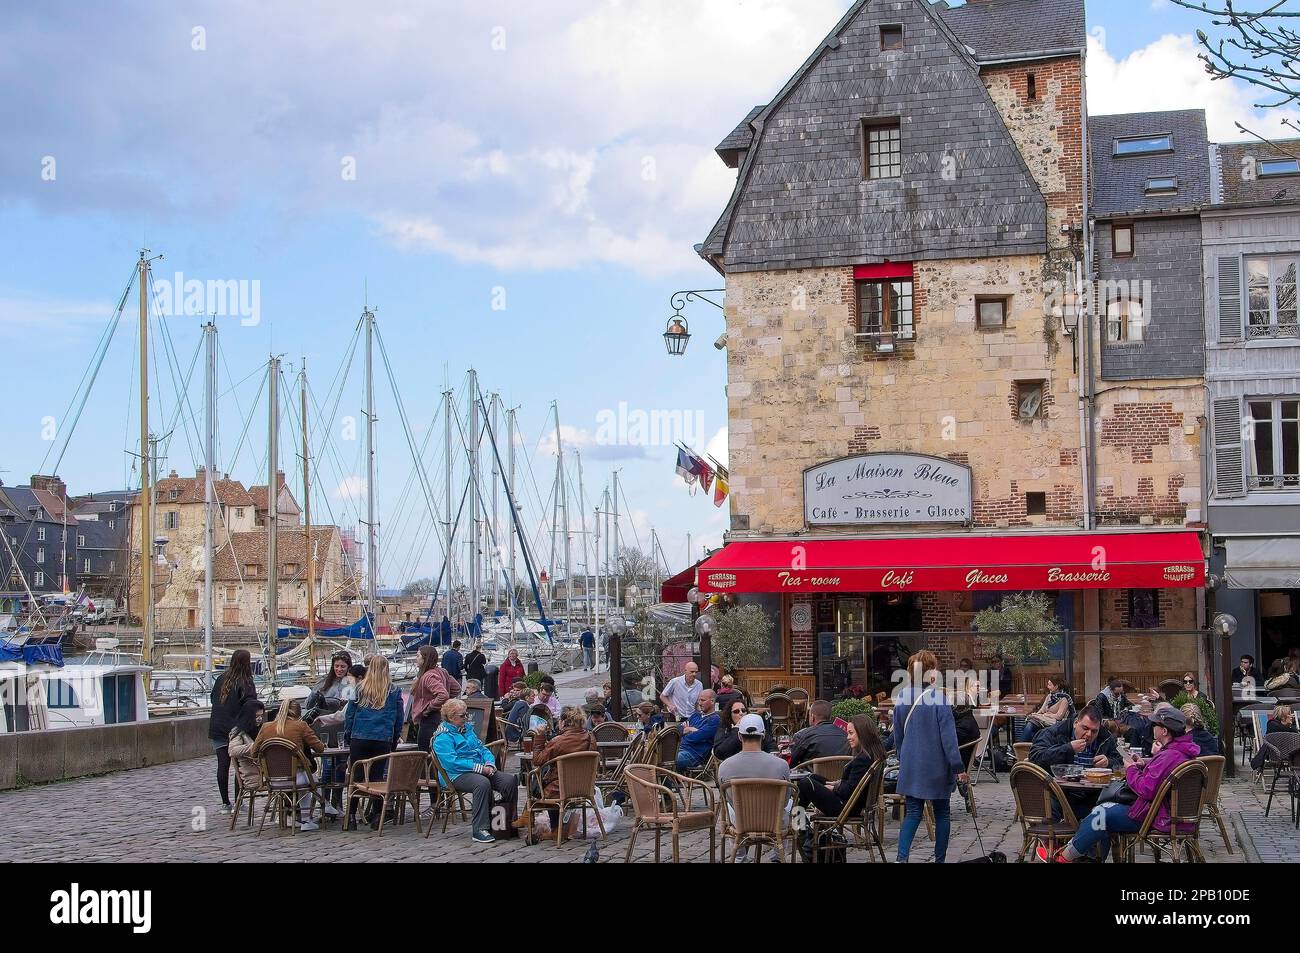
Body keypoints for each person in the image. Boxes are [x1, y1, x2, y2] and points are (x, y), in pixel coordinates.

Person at [1043, 707, 1198, 862]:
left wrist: (1130, 768)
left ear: (1164, 731)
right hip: (1167, 814)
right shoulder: (1180, 751)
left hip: (1154, 815)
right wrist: (1145, 763)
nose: (1152, 727)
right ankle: (1085, 858)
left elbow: (1146, 789)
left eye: (1155, 725)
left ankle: (1064, 857)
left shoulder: (1168, 756)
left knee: (1100, 814)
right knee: (1101, 815)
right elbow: (1163, 770)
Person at [893, 650, 966, 864]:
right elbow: (949, 739)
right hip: (936, 765)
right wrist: (958, 767)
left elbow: (897, 735)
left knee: (913, 812)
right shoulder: (939, 699)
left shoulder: (902, 697)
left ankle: (901, 858)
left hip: (911, 764)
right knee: (942, 813)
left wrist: (903, 758)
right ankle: (939, 860)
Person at [433, 698, 518, 843]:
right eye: (463, 715)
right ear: (451, 717)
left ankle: (506, 822)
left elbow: (482, 748)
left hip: (479, 769)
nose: (466, 717)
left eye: (466, 714)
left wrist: (490, 764)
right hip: (455, 774)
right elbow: (451, 763)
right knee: (482, 783)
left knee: (508, 780)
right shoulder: (442, 737)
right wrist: (480, 768)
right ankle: (480, 829)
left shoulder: (467, 730)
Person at [343, 654, 405, 831]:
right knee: (377, 777)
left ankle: (352, 816)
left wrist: (348, 736)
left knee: (356, 776)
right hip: (382, 737)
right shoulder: (393, 691)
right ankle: (378, 815)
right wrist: (394, 738)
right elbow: (398, 718)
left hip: (360, 736)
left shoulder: (360, 688)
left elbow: (350, 715)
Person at [718, 714, 792, 862]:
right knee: (796, 807)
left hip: (740, 821)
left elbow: (727, 799)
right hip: (774, 821)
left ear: (739, 736)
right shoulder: (781, 764)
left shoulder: (725, 765)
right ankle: (779, 855)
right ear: (763, 735)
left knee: (725, 806)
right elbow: (785, 800)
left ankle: (739, 857)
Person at [250, 699, 325, 830]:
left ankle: (290, 817)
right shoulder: (301, 726)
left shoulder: (266, 727)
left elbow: (254, 753)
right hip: (296, 778)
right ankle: (307, 820)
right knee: (309, 778)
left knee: (308, 778)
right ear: (298, 713)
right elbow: (320, 748)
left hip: (272, 780)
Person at [795, 713, 885, 820]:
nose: (848, 737)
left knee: (805, 783)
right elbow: (854, 784)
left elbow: (848, 791)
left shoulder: (863, 759)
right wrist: (838, 783)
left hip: (846, 807)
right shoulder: (871, 755)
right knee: (812, 777)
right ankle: (801, 826)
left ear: (862, 734)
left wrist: (834, 788)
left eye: (851, 733)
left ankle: (799, 826)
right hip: (851, 804)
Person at [527, 705, 599, 836]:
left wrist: (539, 737)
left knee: (538, 778)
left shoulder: (559, 741)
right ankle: (553, 826)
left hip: (559, 789)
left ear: (564, 722)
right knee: (546, 775)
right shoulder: (590, 737)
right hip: (584, 787)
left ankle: (547, 825)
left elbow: (537, 760)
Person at [208, 649, 257, 814]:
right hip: (236, 729)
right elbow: (251, 705)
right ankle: (238, 800)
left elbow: (212, 697)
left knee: (223, 765)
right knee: (239, 764)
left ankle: (225, 803)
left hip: (217, 726)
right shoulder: (246, 681)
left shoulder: (221, 678)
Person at [410, 646, 461, 752]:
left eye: (418, 655)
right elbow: (456, 689)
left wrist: (430, 706)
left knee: (427, 752)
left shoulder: (428, 676)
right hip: (441, 718)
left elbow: (443, 695)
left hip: (430, 719)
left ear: (425, 658)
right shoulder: (442, 671)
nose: (416, 658)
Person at [226, 698, 267, 805]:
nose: (259, 719)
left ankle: (289, 815)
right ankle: (291, 815)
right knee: (289, 782)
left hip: (265, 773)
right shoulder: (239, 732)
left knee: (291, 777)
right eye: (256, 716)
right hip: (254, 776)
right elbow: (232, 750)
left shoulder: (261, 729)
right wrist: (255, 746)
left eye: (261, 716)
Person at [788, 700, 849, 766]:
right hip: (841, 775)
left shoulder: (803, 735)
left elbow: (791, 763)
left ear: (813, 717)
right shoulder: (846, 735)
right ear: (830, 717)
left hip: (812, 774)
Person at [1017, 677, 1073, 742]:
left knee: (1029, 726)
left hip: (1055, 724)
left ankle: (1020, 747)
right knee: (1028, 725)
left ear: (1056, 687)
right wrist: (1036, 714)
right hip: (1044, 721)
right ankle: (1024, 747)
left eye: (1049, 685)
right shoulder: (1049, 696)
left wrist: (1046, 715)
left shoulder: (1064, 699)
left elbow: (1059, 716)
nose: (1048, 687)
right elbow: (1042, 710)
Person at [676, 689, 720, 771]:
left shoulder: (714, 719)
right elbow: (677, 729)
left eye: (703, 700)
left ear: (712, 701)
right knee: (657, 757)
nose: (699, 703)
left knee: (668, 761)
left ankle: (670, 783)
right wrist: (689, 730)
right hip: (679, 749)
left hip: (694, 754)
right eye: (699, 700)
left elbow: (694, 738)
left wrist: (685, 732)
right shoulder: (695, 715)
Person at [305, 651, 355, 721]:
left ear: (348, 667)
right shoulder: (323, 681)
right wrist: (315, 695)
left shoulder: (354, 684)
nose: (339, 669)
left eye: (343, 666)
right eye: (336, 666)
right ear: (333, 666)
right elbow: (308, 705)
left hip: (343, 722)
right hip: (322, 720)